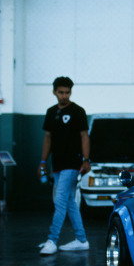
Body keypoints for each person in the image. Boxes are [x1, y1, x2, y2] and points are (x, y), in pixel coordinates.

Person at [38, 77, 91, 255]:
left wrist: (86, 159)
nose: (64, 95)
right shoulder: (51, 112)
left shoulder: (77, 111)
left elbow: (84, 136)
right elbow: (48, 138)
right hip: (57, 164)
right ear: (54, 92)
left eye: (67, 92)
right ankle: (82, 240)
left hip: (72, 163)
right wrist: (43, 162)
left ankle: (52, 240)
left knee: (60, 200)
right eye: (61, 92)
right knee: (68, 202)